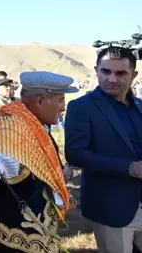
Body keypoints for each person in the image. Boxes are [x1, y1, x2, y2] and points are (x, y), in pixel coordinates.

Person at [0, 71, 76, 253]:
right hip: (16, 239)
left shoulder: (31, 124)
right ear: (40, 101)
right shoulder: (11, 131)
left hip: (33, 229)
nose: (63, 107)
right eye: (60, 100)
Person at [65, 46, 142, 253]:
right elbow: (75, 153)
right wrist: (128, 168)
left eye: (120, 73)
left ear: (134, 75)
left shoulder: (140, 106)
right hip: (112, 206)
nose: (112, 79)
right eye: (105, 72)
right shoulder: (81, 107)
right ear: (96, 70)